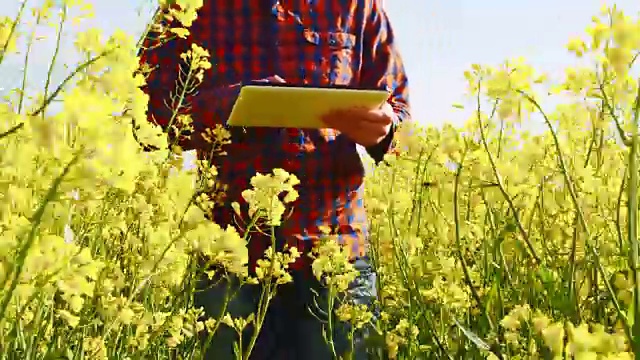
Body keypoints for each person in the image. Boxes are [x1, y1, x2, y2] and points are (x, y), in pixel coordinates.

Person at [140, 0, 410, 358]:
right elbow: (145, 113)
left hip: (335, 254)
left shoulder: (358, 7)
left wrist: (385, 129)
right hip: (229, 253)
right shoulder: (191, 6)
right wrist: (230, 106)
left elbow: (402, 123)